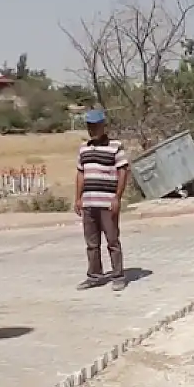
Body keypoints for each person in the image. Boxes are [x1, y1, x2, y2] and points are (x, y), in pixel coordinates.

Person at [74, 109, 130, 291]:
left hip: (107, 203)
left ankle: (118, 276)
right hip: (89, 204)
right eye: (90, 127)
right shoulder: (83, 149)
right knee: (92, 244)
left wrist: (117, 198)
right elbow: (80, 174)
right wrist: (77, 198)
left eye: (96, 127)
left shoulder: (115, 147)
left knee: (112, 241)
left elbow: (123, 172)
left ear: (103, 126)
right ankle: (94, 276)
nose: (93, 130)